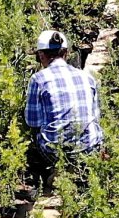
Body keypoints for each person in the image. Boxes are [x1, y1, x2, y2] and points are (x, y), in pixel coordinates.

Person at [23, 29, 103, 192]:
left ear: (41, 56)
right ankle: (81, 173)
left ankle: (52, 176)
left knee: (34, 137)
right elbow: (95, 116)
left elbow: (32, 121)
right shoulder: (87, 77)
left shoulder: (38, 79)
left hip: (56, 149)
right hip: (90, 146)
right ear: (66, 54)